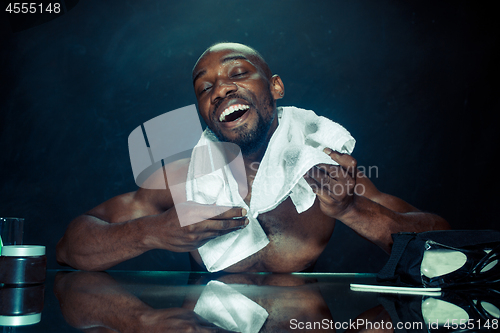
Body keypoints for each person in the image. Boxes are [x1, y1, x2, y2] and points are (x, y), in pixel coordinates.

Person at [56, 42, 450, 272]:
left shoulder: (323, 169)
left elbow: (445, 246)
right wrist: (152, 231)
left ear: (275, 87)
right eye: (205, 87)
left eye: (238, 74)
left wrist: (351, 209)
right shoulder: (182, 178)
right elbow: (71, 246)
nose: (221, 89)